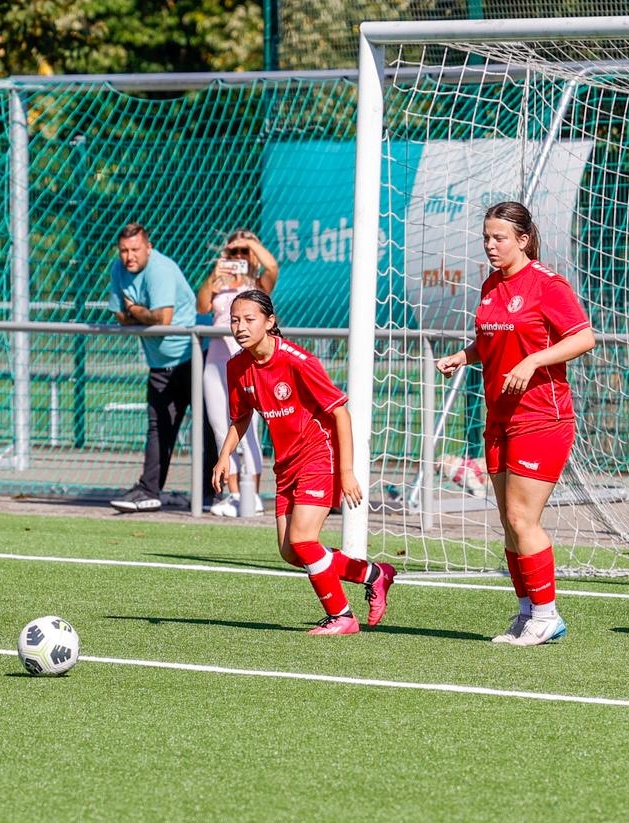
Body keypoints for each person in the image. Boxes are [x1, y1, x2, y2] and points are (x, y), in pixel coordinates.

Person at [435, 201, 595, 646]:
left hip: (541, 416)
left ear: (523, 240)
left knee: (523, 517)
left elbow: (584, 337)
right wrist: (463, 356)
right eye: (486, 237)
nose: (490, 245)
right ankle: (527, 613)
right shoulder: (491, 284)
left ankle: (547, 616)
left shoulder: (547, 284)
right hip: (500, 416)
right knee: (509, 521)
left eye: (499, 237)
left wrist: (534, 360)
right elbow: (491, 341)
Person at [213, 289, 396, 635]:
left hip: (319, 456)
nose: (240, 327)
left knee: (303, 540)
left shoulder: (298, 361)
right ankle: (375, 574)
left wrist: (347, 472)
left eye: (249, 319)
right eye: (235, 320)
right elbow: (241, 417)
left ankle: (342, 617)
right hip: (286, 465)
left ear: (270, 321)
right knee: (291, 552)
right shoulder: (236, 366)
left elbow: (340, 413)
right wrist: (224, 456)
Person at [107, 222, 199, 512]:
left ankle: (213, 493)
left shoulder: (160, 269)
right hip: (160, 364)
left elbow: (163, 319)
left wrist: (135, 309)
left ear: (148, 248)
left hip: (195, 358)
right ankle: (149, 491)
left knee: (210, 428)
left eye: (135, 249)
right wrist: (136, 315)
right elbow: (120, 316)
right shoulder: (117, 269)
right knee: (158, 427)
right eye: (124, 250)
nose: (129, 256)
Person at [197, 229, 278, 518]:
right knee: (221, 427)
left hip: (245, 359)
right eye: (235, 252)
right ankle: (233, 494)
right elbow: (202, 306)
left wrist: (250, 244)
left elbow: (272, 267)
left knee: (248, 428)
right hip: (217, 360)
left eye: (244, 253)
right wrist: (216, 273)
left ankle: (251, 494)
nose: (239, 257)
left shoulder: (257, 285)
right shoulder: (220, 281)